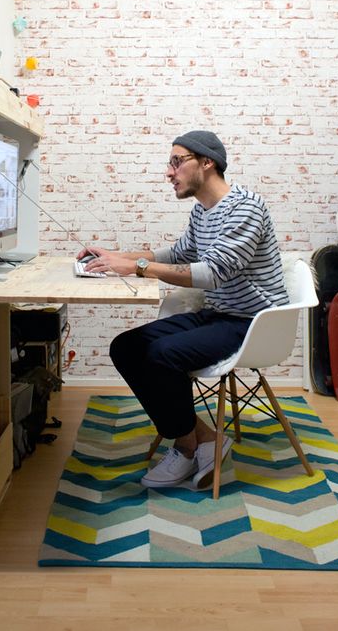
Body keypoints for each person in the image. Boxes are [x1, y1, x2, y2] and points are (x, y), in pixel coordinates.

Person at [77, 130, 288, 490]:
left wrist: (138, 268)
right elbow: (176, 255)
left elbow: (213, 272)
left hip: (254, 322)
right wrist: (115, 257)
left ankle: (185, 445)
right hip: (220, 314)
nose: (169, 172)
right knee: (125, 347)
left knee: (161, 355)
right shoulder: (203, 211)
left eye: (177, 161)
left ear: (206, 163)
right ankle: (201, 439)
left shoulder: (246, 208)